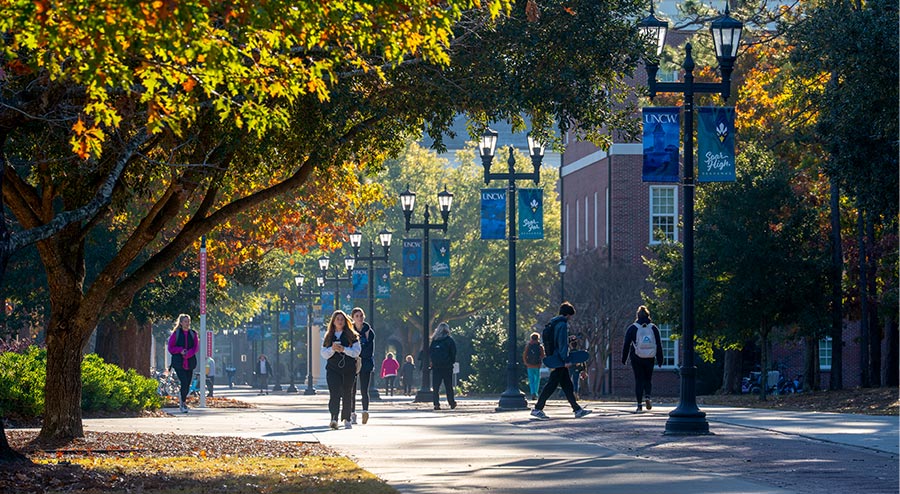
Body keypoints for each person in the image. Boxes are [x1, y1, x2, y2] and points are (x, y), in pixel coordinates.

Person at [530, 302, 591, 420]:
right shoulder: (562, 325)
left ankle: (577, 409)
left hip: (555, 357)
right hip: (560, 359)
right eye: (570, 316)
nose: (570, 319)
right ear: (567, 314)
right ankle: (537, 409)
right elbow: (562, 344)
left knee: (567, 385)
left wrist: (568, 339)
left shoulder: (554, 323)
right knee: (551, 385)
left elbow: (557, 340)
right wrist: (566, 359)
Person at [320, 310, 361, 430]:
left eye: (342, 319)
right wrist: (332, 349)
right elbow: (324, 354)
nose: (340, 321)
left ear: (346, 321)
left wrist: (344, 349)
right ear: (333, 321)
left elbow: (356, 352)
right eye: (337, 319)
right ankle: (334, 418)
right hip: (333, 369)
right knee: (334, 393)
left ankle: (347, 418)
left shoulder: (352, 335)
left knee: (347, 393)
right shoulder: (329, 336)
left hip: (348, 369)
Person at [622, 305, 664, 413]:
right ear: (648, 315)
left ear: (637, 316)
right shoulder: (653, 328)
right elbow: (659, 344)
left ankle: (639, 405)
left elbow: (626, 344)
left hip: (636, 357)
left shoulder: (632, 328)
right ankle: (648, 396)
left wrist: (624, 359)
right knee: (648, 379)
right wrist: (660, 359)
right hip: (650, 357)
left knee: (639, 380)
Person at [167, 314, 199, 413]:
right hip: (178, 362)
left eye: (188, 321)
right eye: (185, 321)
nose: (187, 323)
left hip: (190, 362)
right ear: (181, 323)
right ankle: (183, 403)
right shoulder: (176, 334)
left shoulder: (193, 334)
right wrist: (180, 350)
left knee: (187, 383)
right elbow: (170, 348)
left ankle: (183, 399)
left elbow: (196, 347)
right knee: (184, 382)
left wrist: (189, 353)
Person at [350, 308, 375, 425]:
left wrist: (360, 352)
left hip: (365, 362)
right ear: (353, 318)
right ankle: (352, 413)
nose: (359, 318)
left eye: (361, 316)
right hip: (353, 362)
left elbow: (369, 350)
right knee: (352, 390)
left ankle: (365, 411)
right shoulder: (349, 331)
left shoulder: (369, 332)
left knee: (364, 389)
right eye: (357, 316)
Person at [429, 322, 457, 410]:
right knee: (448, 385)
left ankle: (436, 404)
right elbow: (453, 353)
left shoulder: (434, 341)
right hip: (447, 366)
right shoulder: (449, 340)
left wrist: (432, 362)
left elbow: (430, 353)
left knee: (436, 386)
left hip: (436, 367)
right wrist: (451, 362)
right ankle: (451, 402)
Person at [522, 332, 545, 400]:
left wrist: (526, 362)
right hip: (537, 365)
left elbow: (524, 355)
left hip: (529, 365)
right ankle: (536, 393)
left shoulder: (528, 346)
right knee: (537, 380)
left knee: (531, 380)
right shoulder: (540, 346)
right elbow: (543, 355)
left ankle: (532, 393)